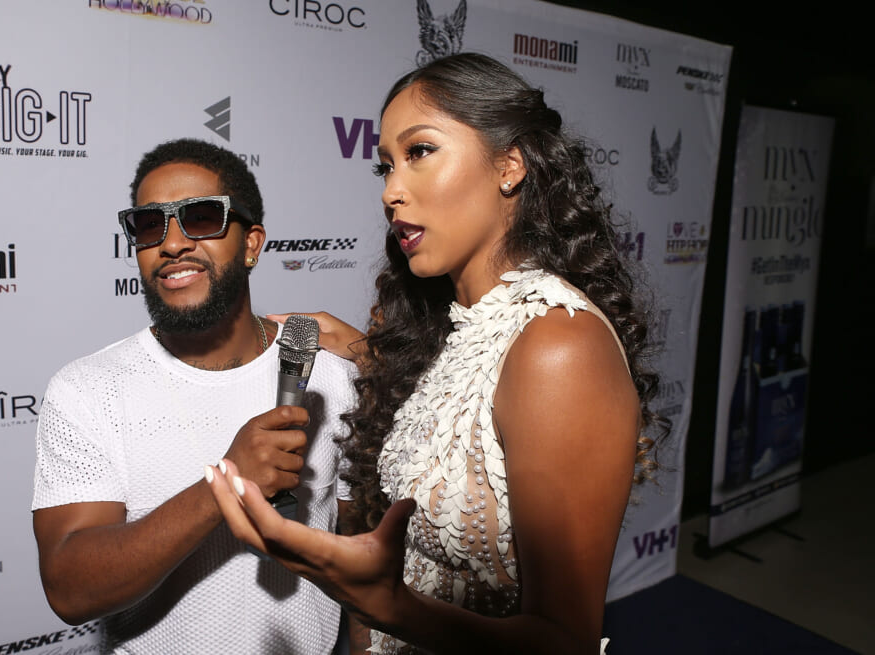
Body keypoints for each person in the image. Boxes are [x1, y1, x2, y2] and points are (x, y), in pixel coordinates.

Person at [206, 53, 667, 654]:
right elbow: (467, 416)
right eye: (385, 166)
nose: (391, 192)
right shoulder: (457, 327)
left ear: (509, 166)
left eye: (420, 151)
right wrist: (367, 353)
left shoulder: (558, 345)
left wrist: (385, 605)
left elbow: (563, 643)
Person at [31, 138, 357, 654]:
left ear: (251, 244)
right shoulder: (87, 390)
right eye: (149, 225)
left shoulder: (331, 376)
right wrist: (224, 485)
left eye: (201, 218)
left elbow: (362, 561)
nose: (173, 244)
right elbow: (70, 588)